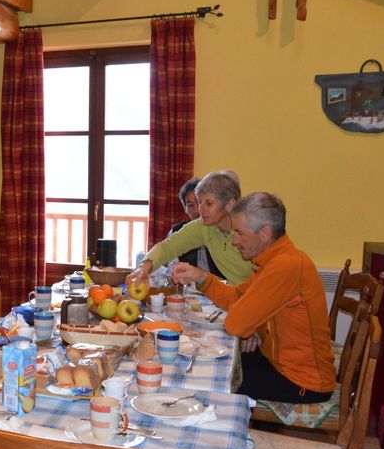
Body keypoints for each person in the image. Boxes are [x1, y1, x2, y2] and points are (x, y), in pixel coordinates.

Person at [172, 192, 335, 403]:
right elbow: (236, 297)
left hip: (302, 381)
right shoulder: (272, 260)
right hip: (277, 363)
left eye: (239, 233)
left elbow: (236, 324)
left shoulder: (284, 267)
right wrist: (203, 278)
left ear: (265, 233)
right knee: (215, 365)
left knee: (210, 384)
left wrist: (252, 326)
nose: (234, 241)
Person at [127, 170, 253, 288]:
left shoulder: (252, 228)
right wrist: (143, 267)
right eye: (200, 202)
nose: (200, 210)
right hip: (237, 297)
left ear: (229, 204)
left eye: (208, 203)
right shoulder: (203, 226)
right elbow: (169, 246)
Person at [167, 176, 224, 280]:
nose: (198, 210)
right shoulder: (177, 231)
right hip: (188, 291)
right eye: (190, 205)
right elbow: (170, 267)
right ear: (185, 209)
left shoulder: (221, 231)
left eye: (199, 203)